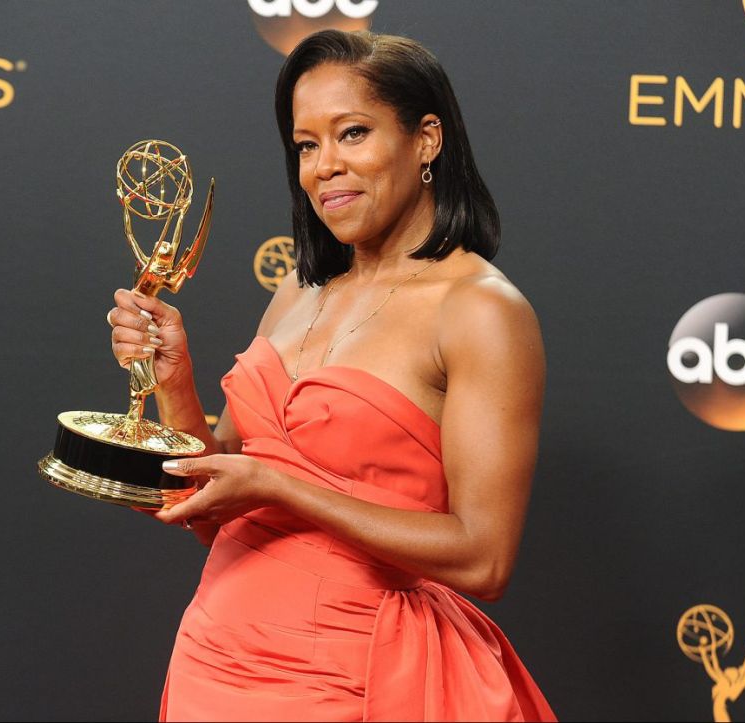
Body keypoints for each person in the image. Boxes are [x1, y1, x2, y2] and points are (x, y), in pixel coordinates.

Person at [107, 29, 555, 722]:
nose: (324, 167)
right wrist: (176, 384)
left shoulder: (480, 311)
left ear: (426, 139)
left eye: (352, 134)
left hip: (350, 677)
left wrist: (282, 486)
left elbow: (483, 558)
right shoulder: (297, 289)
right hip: (214, 660)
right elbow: (219, 505)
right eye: (306, 145)